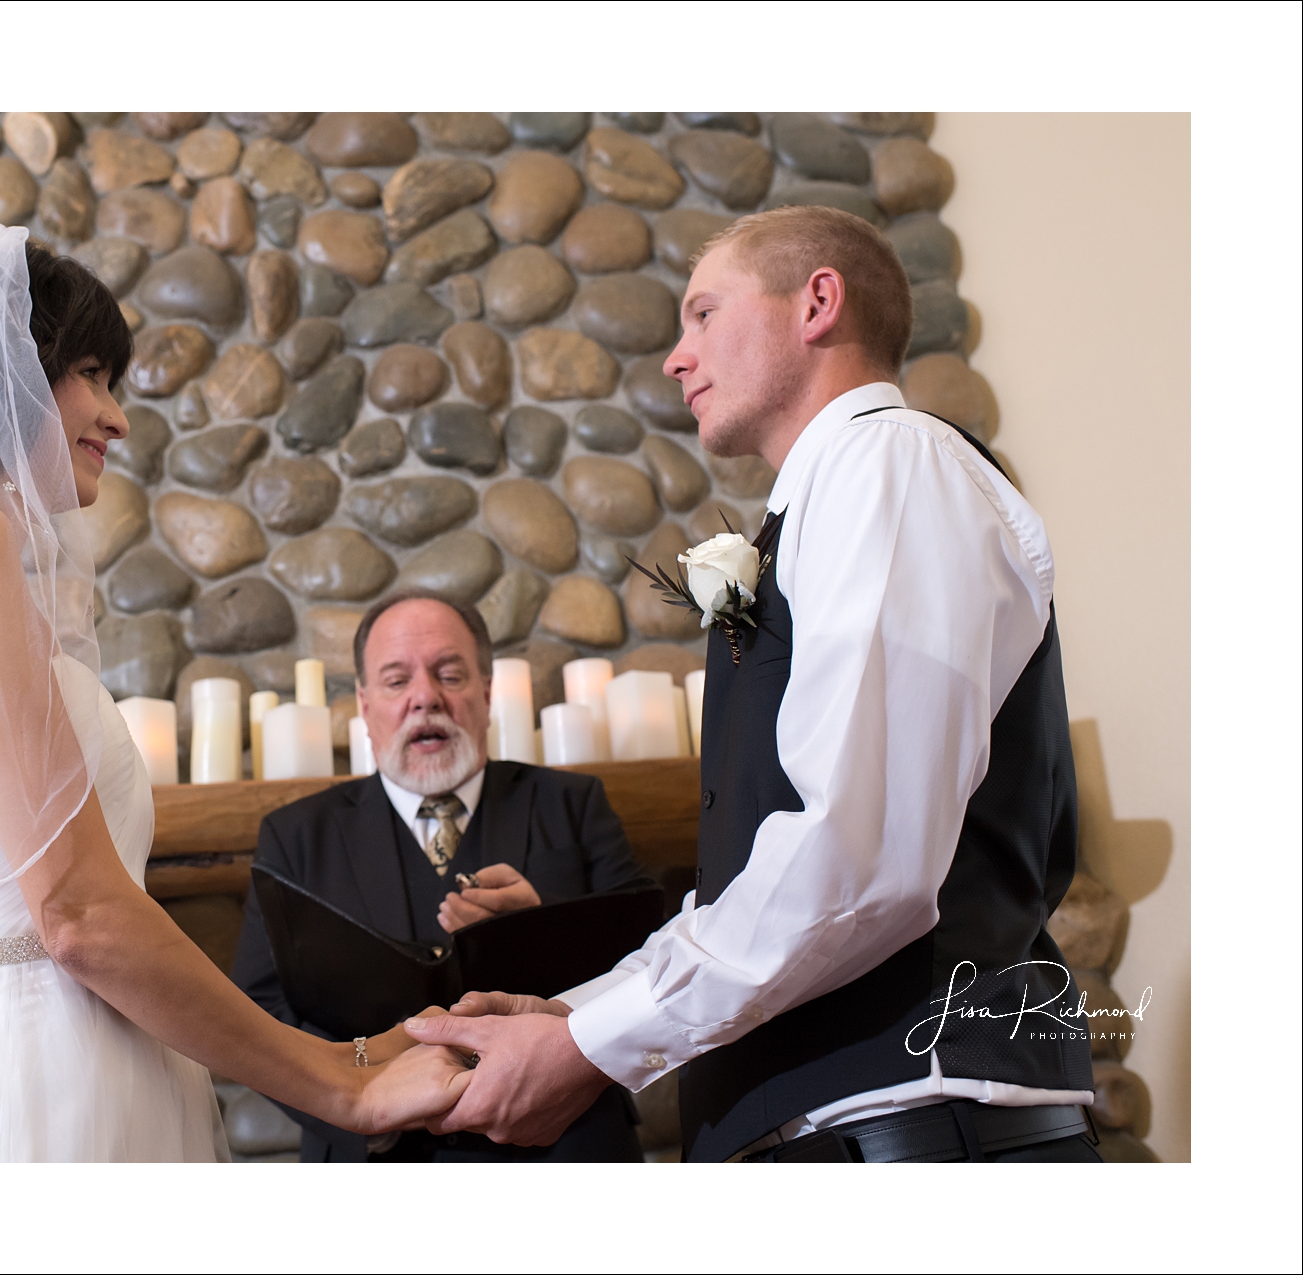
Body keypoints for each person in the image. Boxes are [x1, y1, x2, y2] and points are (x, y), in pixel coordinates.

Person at [0, 225, 469, 1161]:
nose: (116, 416)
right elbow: (79, 914)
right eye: (88, 372)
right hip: (29, 1083)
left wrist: (364, 1048)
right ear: (0, 371)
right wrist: (343, 1081)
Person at [408, 205, 1101, 1163]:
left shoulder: (889, 462)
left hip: (916, 1131)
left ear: (818, 302)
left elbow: (853, 855)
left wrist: (588, 1050)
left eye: (702, 313)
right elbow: (758, 879)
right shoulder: (829, 500)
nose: (673, 357)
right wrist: (571, 1011)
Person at [231, 591, 653, 1162]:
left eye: (449, 675)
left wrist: (544, 923)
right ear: (364, 704)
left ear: (485, 692)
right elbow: (258, 1014)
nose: (425, 698)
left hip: (567, 1145)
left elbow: (648, 965)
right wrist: (360, 1109)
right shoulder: (295, 835)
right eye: (396, 680)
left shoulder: (574, 805)